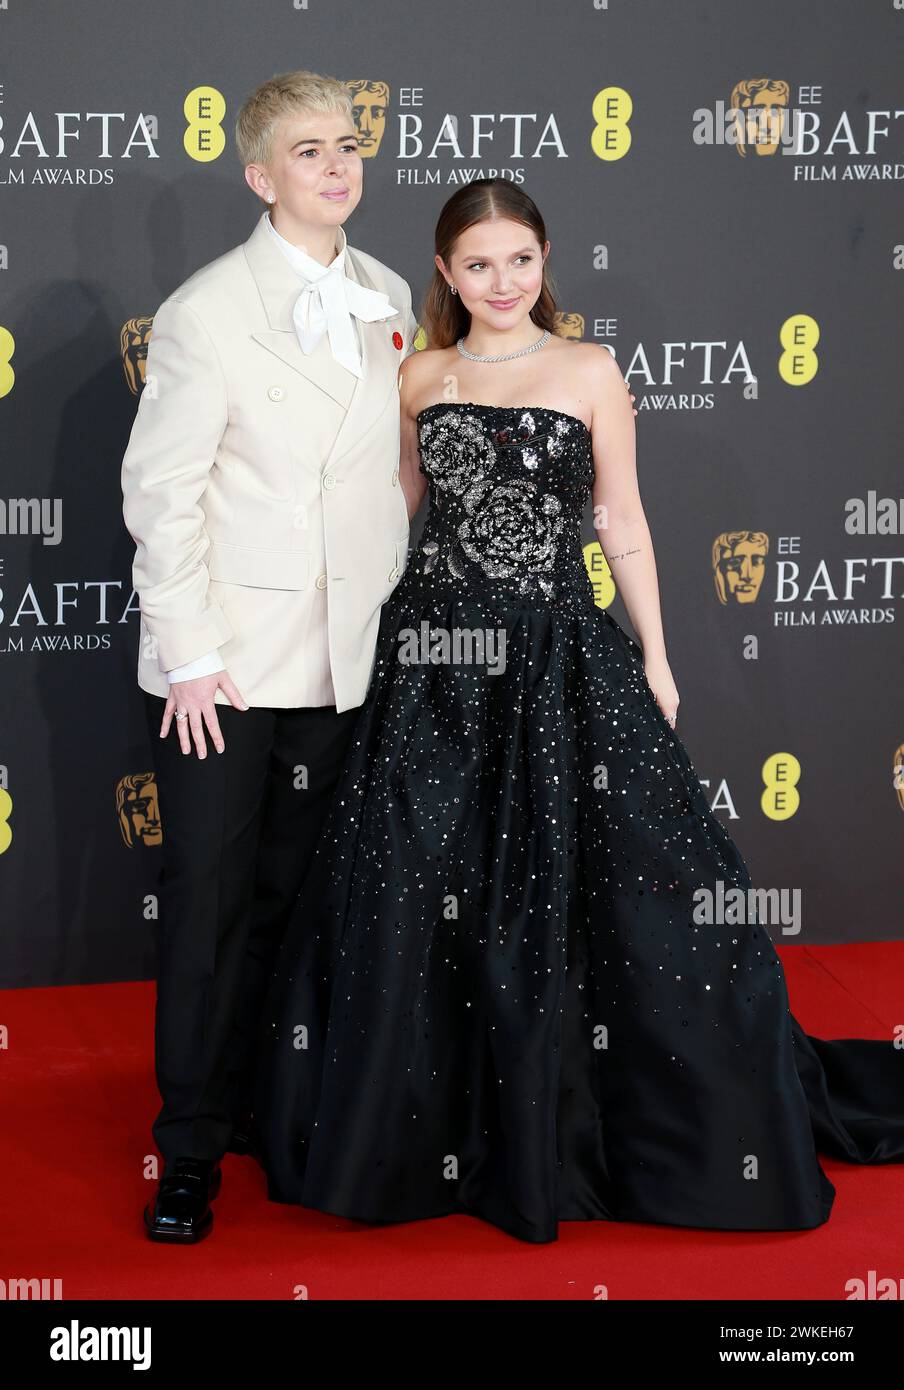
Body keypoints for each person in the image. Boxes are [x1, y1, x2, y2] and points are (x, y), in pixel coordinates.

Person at [253, 178, 904, 1245]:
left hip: (563, 656)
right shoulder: (414, 375)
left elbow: (622, 519)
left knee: (640, 889)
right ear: (446, 272)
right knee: (415, 887)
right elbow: (389, 518)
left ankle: (606, 1125)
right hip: (436, 663)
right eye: (477, 264)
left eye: (519, 260)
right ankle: (420, 1130)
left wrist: (655, 653)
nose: (501, 282)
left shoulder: (590, 368)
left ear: (545, 259)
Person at [120, 70, 416, 1243]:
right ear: (259, 176)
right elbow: (160, 491)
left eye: (346, 145)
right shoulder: (204, 311)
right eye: (307, 152)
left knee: (298, 900)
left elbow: (390, 474)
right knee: (208, 906)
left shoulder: (391, 292)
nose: (336, 166)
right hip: (229, 670)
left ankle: (262, 1107)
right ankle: (186, 1146)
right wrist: (189, 657)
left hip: (347, 654)